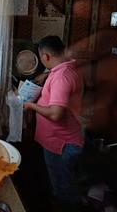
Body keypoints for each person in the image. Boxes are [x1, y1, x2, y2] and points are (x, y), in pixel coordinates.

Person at [24, 35, 84, 211]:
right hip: (60, 140)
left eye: (43, 60)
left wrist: (31, 106)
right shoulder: (66, 69)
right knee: (62, 182)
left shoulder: (61, 77)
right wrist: (47, 74)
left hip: (61, 143)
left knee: (62, 188)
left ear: (46, 57)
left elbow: (56, 114)